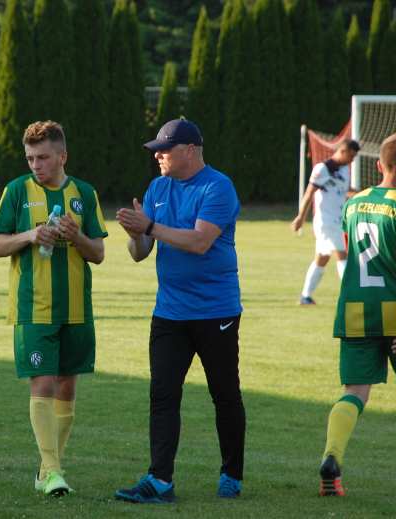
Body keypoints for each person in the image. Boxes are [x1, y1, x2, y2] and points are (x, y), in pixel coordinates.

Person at [114, 119, 245, 503]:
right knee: (163, 394)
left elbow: (201, 241)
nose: (157, 155)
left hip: (215, 311)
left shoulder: (217, 187)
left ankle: (232, 474)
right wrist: (136, 235)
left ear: (190, 149)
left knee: (224, 394)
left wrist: (150, 226)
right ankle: (160, 481)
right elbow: (141, 254)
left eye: (164, 149)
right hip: (170, 311)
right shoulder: (157, 188)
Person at [318, 133, 396, 497]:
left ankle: (332, 457)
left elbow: (367, 259)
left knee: (355, 392)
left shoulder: (353, 204)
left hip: (356, 310)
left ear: (378, 165)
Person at [0, 121, 107, 497]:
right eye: (30, 158)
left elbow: (99, 254)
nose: (35, 165)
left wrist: (77, 237)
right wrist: (29, 235)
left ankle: (47, 469)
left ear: (62, 156)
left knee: (67, 388)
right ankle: (54, 470)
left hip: (75, 308)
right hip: (33, 307)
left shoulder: (84, 194)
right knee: (42, 384)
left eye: (42, 157)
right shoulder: (16, 191)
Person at [291, 139, 360, 305]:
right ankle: (351, 296)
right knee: (343, 254)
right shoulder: (322, 169)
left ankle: (305, 296)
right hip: (326, 220)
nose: (352, 160)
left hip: (338, 219)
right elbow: (309, 194)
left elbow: (343, 191)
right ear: (343, 151)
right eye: (351, 156)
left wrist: (361, 193)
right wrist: (300, 217)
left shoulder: (344, 169)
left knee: (322, 258)